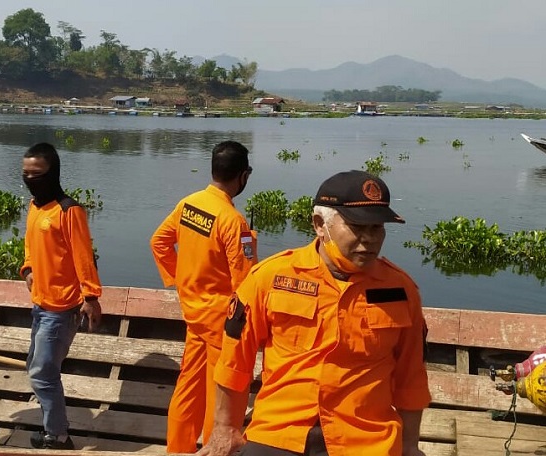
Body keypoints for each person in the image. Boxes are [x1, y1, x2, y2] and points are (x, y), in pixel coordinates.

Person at [200, 170, 431, 456]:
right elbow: (235, 361)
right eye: (358, 227)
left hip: (365, 439)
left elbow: (411, 375)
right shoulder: (270, 278)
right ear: (320, 225)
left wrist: (409, 446)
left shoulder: (400, 289)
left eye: (377, 228)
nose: (370, 239)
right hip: (280, 433)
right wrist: (224, 429)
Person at [149, 140, 257, 453]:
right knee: (223, 398)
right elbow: (247, 284)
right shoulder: (233, 221)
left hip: (193, 314)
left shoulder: (190, 204)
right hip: (224, 325)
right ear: (243, 175)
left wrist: (179, 280)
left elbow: (159, 243)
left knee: (189, 388)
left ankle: (178, 449)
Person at [19, 142, 102, 450]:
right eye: (25, 173)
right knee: (37, 368)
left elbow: (83, 256)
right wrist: (27, 267)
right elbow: (30, 244)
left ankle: (58, 437)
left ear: (52, 173)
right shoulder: (33, 206)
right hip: (39, 303)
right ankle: (53, 428)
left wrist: (90, 296)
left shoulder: (69, 210)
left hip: (62, 307)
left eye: (36, 173)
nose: (29, 178)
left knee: (42, 374)